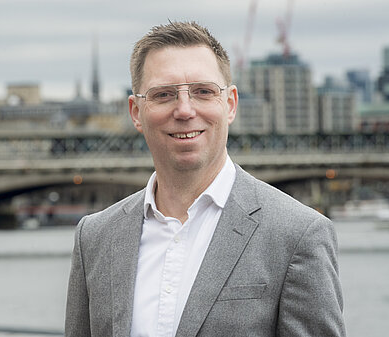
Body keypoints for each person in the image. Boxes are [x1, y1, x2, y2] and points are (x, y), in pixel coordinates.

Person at [65, 21, 345, 337]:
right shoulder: (95, 237)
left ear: (230, 104)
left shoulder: (298, 235)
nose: (184, 110)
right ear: (135, 111)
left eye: (203, 92)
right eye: (164, 94)